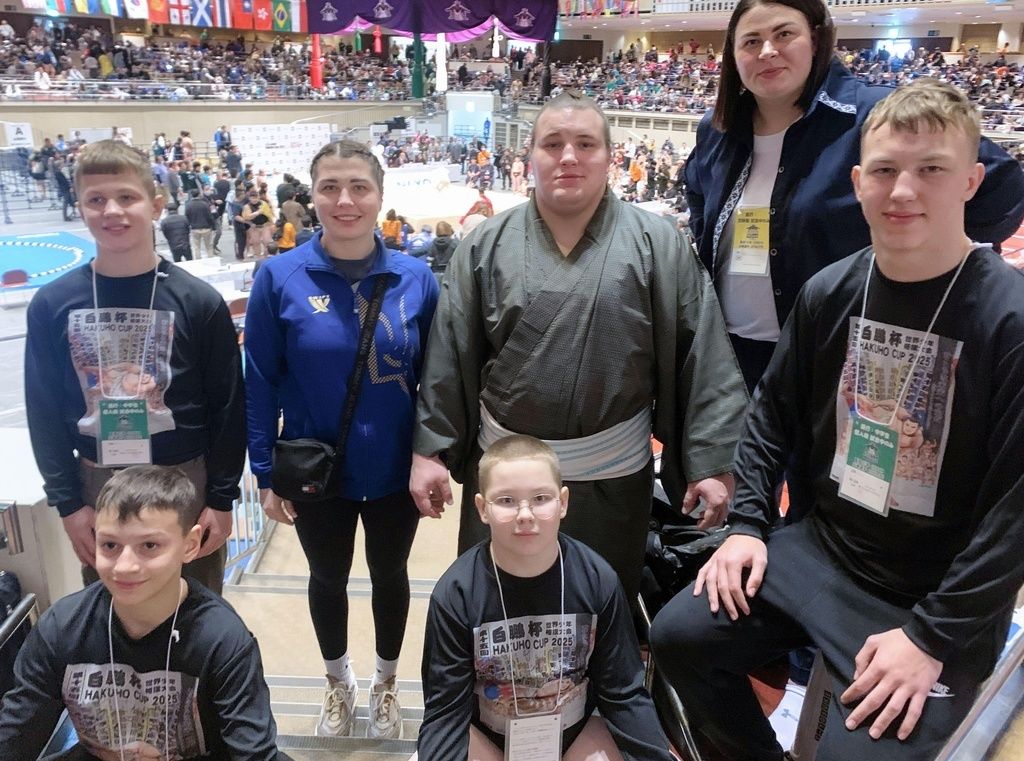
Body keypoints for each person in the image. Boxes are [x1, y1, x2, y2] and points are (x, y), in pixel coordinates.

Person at [650, 79, 1024, 761]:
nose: (902, 190)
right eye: (884, 170)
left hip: (936, 595)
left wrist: (932, 637)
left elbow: (1014, 517)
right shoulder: (831, 291)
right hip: (825, 553)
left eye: (931, 169)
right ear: (858, 181)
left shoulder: (1010, 318)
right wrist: (747, 526)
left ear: (971, 180)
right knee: (680, 635)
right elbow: (770, 419)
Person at [411, 91, 747, 606]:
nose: (569, 156)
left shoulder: (658, 242)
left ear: (610, 156)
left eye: (585, 143)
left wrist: (713, 458)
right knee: (500, 611)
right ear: (531, 158)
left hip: (613, 476)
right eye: (553, 144)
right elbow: (448, 353)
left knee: (603, 610)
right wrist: (431, 449)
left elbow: (700, 351)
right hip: (506, 477)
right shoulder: (485, 244)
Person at [685, 0, 1024, 397]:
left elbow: (1001, 187)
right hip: (731, 354)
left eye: (783, 34)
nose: (767, 52)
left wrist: (925, 269)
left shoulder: (874, 116)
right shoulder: (718, 128)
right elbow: (697, 197)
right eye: (751, 41)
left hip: (844, 352)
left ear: (815, 39)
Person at [244, 139, 440, 740]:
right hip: (313, 470)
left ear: (380, 196)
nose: (345, 200)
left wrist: (431, 457)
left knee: (391, 577)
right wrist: (263, 470)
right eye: (330, 187)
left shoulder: (417, 278)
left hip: (392, 470)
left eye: (359, 187)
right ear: (313, 196)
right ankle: (337, 683)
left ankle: (385, 682)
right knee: (325, 578)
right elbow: (260, 380)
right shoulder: (280, 277)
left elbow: (437, 378)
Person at [24, 140, 245, 595]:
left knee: (195, 614)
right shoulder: (53, 303)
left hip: (184, 479)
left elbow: (228, 408)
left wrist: (221, 498)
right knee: (113, 618)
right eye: (96, 200)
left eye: (127, 197)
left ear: (156, 204)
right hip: (99, 481)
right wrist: (68, 504)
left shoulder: (198, 302)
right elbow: (42, 408)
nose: (112, 211)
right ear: (80, 207)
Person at [0, 465, 286, 760]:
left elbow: (253, 753)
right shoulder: (61, 627)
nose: (125, 566)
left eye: (149, 545)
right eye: (110, 545)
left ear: (189, 545)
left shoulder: (222, 638)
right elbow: (16, 736)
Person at [419, 435, 675, 761]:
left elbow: (623, 693)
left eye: (541, 498)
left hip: (576, 733)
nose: (525, 514)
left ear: (563, 502)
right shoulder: (455, 595)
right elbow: (445, 712)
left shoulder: (597, 580)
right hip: (486, 737)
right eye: (507, 501)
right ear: (482, 509)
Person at [241, 187, 273, 258]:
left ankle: (266, 256)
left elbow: (269, 214)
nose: (254, 199)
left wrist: (271, 223)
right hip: (254, 227)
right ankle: (259, 257)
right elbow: (246, 218)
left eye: (256, 198)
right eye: (252, 198)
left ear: (258, 197)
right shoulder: (247, 207)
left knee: (267, 242)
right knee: (256, 242)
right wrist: (257, 213)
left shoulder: (263, 204)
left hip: (264, 226)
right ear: (249, 198)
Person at [184, 188, 216, 259]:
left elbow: (187, 217)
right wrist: (213, 227)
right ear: (199, 194)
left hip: (195, 228)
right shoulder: (205, 204)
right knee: (209, 246)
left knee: (196, 247)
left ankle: (198, 260)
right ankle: (211, 259)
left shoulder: (188, 205)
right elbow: (210, 216)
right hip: (206, 227)